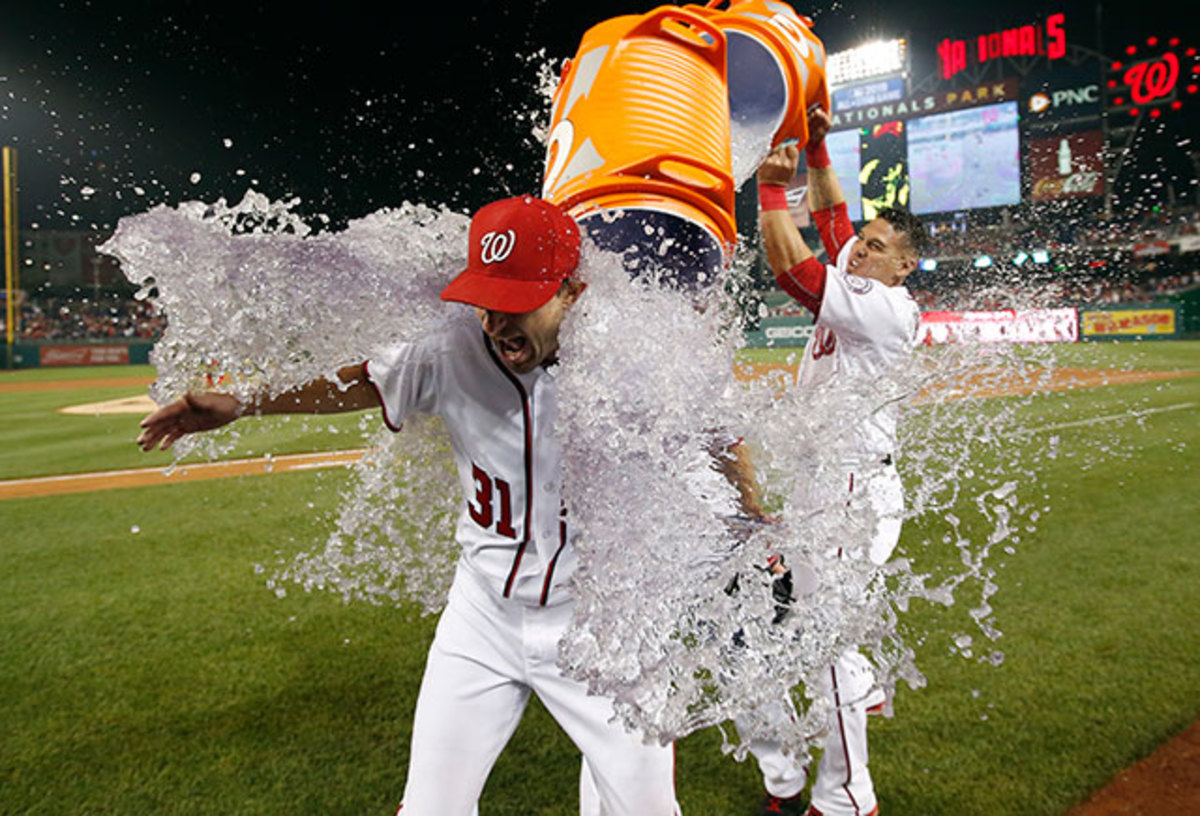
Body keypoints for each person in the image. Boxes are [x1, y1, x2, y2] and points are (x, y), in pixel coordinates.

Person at [136, 195, 681, 816]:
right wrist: (241, 404)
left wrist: (754, 522)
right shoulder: (450, 352)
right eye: (487, 300)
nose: (497, 323)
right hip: (482, 616)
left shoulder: (632, 367)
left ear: (572, 291)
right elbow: (362, 380)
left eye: (517, 302)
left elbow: (716, 433)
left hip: (602, 628)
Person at [747, 106, 928, 816]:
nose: (858, 250)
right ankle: (863, 681)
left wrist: (768, 191)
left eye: (875, 246)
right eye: (862, 244)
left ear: (904, 265)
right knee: (808, 624)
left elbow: (793, 267)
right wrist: (819, 146)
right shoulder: (867, 283)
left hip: (851, 491)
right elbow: (831, 221)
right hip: (837, 483)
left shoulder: (884, 308)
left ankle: (849, 794)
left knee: (820, 643)